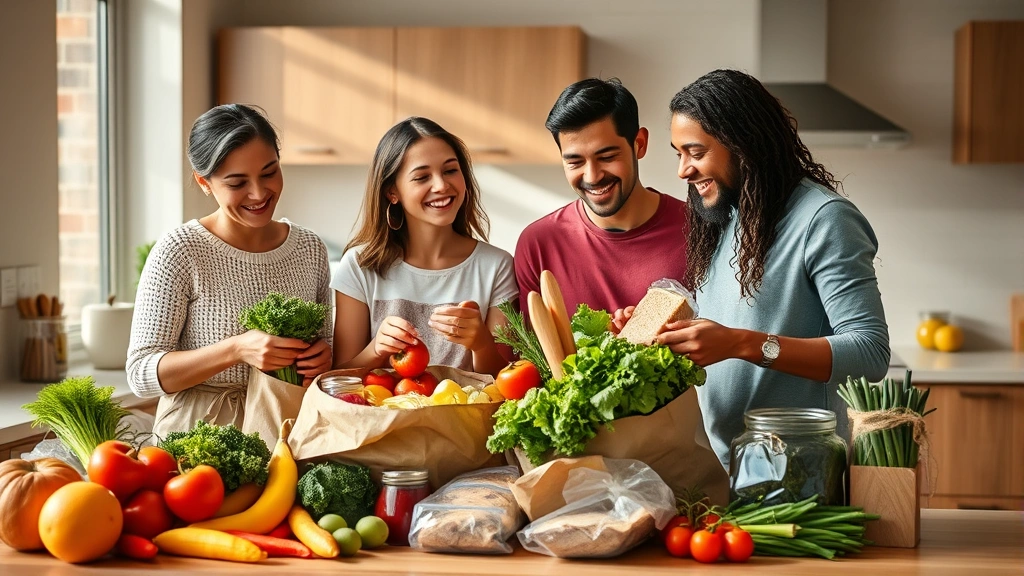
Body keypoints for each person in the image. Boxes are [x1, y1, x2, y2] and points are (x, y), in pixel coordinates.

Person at [660, 69, 890, 468]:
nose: (683, 170)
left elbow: (870, 353)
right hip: (721, 466)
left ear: (743, 144)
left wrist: (741, 343)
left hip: (798, 471)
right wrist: (671, 331)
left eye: (696, 153)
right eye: (678, 154)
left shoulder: (824, 218)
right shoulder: (727, 215)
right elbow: (732, 323)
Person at [127, 104, 333, 439]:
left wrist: (323, 356)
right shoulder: (180, 250)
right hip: (197, 437)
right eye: (237, 182)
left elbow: (326, 343)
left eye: (269, 172)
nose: (259, 193)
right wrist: (236, 349)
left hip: (290, 429)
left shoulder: (309, 248)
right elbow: (141, 374)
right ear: (204, 183)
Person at [331, 117, 516, 376]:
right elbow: (336, 380)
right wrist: (376, 350)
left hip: (465, 417)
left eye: (450, 170)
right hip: (385, 416)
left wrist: (481, 344)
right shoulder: (360, 266)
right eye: (422, 177)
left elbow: (508, 384)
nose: (441, 186)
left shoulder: (496, 267)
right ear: (391, 192)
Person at [514, 78, 689, 326]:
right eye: (575, 162)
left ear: (639, 144)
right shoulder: (538, 244)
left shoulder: (700, 229)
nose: (592, 176)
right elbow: (525, 359)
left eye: (607, 156)